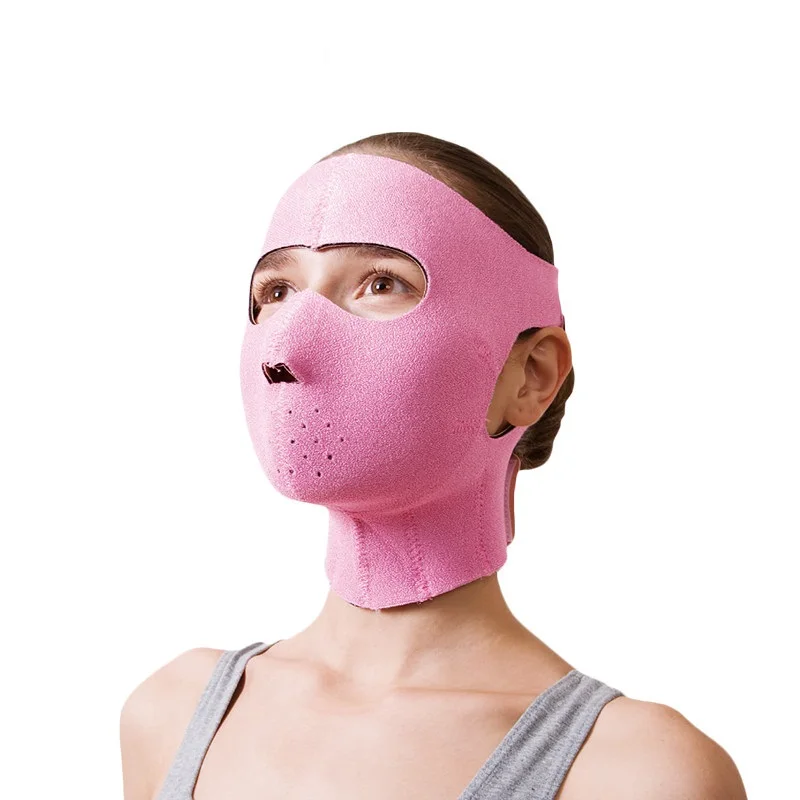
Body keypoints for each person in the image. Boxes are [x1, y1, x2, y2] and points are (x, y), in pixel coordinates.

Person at [120, 132, 748, 799]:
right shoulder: (171, 715)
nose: (285, 348)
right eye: (275, 291)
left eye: (380, 283)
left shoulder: (639, 773)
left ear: (531, 376)